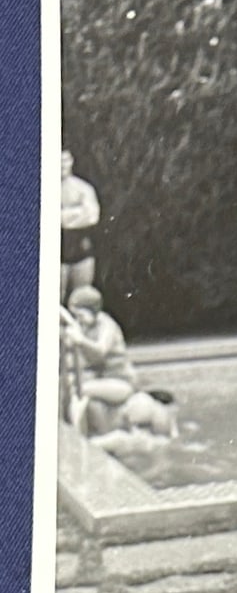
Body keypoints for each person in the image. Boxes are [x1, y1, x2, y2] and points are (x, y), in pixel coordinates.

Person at [61, 285, 137, 436]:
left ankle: (76, 435)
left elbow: (100, 351)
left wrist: (81, 341)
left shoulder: (107, 326)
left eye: (80, 316)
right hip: (100, 380)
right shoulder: (85, 326)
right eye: (75, 316)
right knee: (68, 387)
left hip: (120, 382)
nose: (78, 320)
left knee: (81, 390)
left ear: (93, 312)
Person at [60, 149, 101, 303]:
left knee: (82, 301)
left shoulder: (83, 188)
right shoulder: (44, 187)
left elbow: (91, 216)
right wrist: (76, 212)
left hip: (81, 254)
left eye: (65, 160)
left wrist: (63, 216)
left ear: (71, 161)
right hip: (57, 255)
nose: (61, 165)